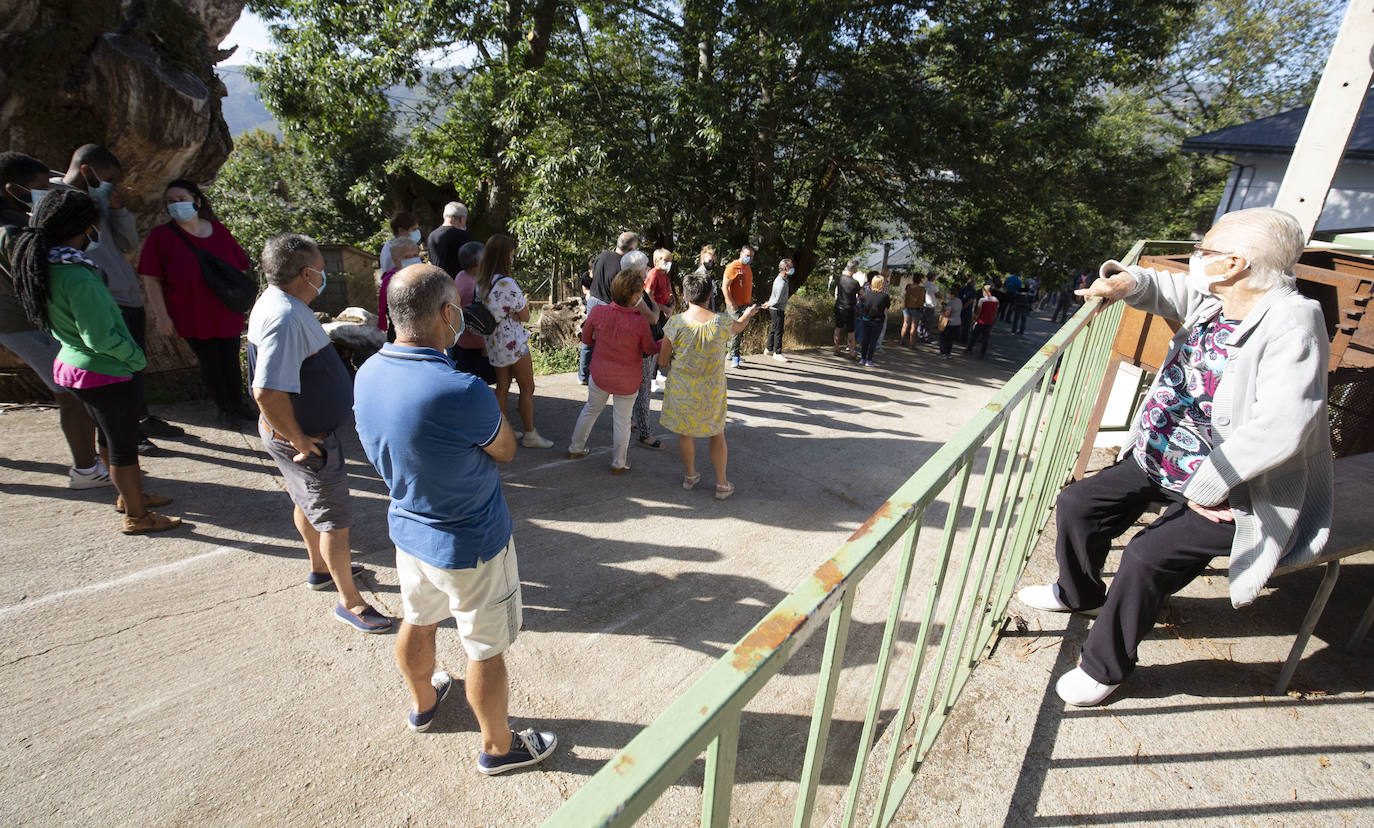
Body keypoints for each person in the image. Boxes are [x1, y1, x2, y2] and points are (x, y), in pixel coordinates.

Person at [1017, 207, 1332, 707]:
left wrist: (1207, 486)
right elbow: (1174, 289)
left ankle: (1105, 666)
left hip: (1236, 485)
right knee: (1080, 502)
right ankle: (1077, 593)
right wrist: (1128, 282)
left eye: (1203, 250)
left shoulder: (1293, 323)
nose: (1194, 258)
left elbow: (1283, 426)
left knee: (1146, 556)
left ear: (1233, 264)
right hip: (1162, 456)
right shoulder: (1226, 295)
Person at [353, 264, 556, 773]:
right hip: (472, 542)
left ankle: (424, 704)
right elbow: (505, 449)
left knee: (419, 619)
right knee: (485, 648)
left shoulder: (368, 371)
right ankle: (498, 747)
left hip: (409, 531)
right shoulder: (459, 389)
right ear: (448, 312)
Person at [11, 189, 180, 533]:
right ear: (80, 227)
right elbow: (99, 338)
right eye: (93, 225)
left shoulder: (48, 265)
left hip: (76, 366)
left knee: (108, 436)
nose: (95, 233)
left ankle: (128, 495)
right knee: (123, 445)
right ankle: (137, 515)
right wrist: (135, 357)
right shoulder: (77, 276)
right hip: (104, 370)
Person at [247, 233, 390, 633]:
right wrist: (298, 439)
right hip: (304, 437)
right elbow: (266, 390)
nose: (323, 279)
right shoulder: (285, 317)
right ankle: (351, 603)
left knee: (307, 503)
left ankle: (321, 569)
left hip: (295, 431)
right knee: (334, 520)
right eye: (321, 273)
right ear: (306, 273)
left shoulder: (279, 304)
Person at [60, 144, 182, 451]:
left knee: (134, 367)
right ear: (87, 171)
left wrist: (117, 208)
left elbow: (126, 244)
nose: (113, 184)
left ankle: (138, 420)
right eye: (109, 178)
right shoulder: (60, 204)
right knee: (114, 371)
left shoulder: (99, 202)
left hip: (127, 297)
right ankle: (123, 438)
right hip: (102, 300)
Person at [0, 152, 108, 490]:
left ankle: (93, 463)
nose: (47, 190)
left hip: (24, 321)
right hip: (25, 324)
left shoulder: (17, 221)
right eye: (40, 186)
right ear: (10, 189)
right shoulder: (12, 232)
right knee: (72, 392)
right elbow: (43, 275)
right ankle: (87, 471)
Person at [138, 179, 254, 428]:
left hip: (225, 311)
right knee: (211, 363)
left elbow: (240, 266)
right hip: (191, 314)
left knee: (231, 360)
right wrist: (162, 316)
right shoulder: (161, 237)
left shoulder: (218, 230)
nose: (175, 205)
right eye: (170, 201)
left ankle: (237, 404)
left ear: (197, 201)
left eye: (180, 199)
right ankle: (225, 408)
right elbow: (151, 279)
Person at [658, 273, 760, 500]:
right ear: (709, 296)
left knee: (686, 433)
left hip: (683, 389)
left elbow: (663, 361)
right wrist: (747, 314)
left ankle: (690, 476)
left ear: (685, 296)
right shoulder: (722, 322)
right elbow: (739, 326)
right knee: (717, 433)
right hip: (712, 389)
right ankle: (722, 484)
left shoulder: (675, 323)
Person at [568, 268, 660, 473]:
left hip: (600, 374)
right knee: (622, 420)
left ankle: (576, 447)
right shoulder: (640, 322)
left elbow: (586, 339)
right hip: (627, 380)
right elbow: (649, 349)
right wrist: (663, 343)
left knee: (590, 409)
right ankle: (619, 463)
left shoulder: (599, 312)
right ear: (636, 296)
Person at [476, 234, 554, 448]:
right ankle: (531, 434)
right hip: (513, 342)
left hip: (493, 342)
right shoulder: (506, 282)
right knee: (527, 387)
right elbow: (526, 315)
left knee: (502, 385)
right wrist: (516, 314)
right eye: (511, 252)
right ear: (504, 255)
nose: (513, 256)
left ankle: (503, 431)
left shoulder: (482, 281)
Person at [621, 250, 665, 451]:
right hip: (642, 348)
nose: (648, 270)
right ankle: (645, 433)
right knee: (643, 390)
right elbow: (653, 317)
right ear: (638, 270)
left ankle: (631, 421)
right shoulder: (635, 292)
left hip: (636, 345)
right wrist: (657, 309)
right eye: (645, 267)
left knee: (636, 389)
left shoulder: (627, 287)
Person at [582, 232, 639, 383]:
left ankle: (583, 375)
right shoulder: (623, 265)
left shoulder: (603, 255)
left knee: (588, 341)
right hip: (608, 306)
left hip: (593, 300)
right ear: (631, 249)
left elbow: (593, 275)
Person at [450, 240, 496, 384]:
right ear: (478, 262)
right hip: (476, 345)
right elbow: (476, 318)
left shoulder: (460, 276)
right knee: (481, 383)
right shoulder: (476, 287)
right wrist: (485, 347)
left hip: (461, 341)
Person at [378, 236, 422, 341]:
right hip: (399, 332)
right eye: (407, 257)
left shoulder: (423, 274)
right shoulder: (390, 280)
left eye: (415, 255)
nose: (412, 259)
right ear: (395, 260)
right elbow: (384, 306)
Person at [645, 248, 675, 392]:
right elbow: (648, 297)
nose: (669, 263)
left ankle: (657, 372)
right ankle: (651, 380)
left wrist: (671, 306)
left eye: (670, 261)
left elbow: (668, 293)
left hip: (662, 314)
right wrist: (664, 308)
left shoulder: (665, 275)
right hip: (654, 314)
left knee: (664, 342)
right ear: (657, 261)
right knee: (656, 345)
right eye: (666, 260)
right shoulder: (654, 274)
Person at [722, 244, 755, 368]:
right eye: (747, 255)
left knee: (739, 331)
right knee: (736, 330)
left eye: (751, 256)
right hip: (734, 305)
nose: (749, 258)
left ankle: (731, 353)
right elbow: (724, 287)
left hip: (745, 304)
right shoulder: (733, 266)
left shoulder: (748, 267)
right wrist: (732, 304)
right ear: (741, 254)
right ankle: (735, 357)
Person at [426, 201, 472, 277]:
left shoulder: (432, 236)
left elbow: (430, 263)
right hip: (457, 283)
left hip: (437, 281)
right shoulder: (463, 236)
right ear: (462, 219)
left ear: (444, 216)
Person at [856, 273, 891, 367]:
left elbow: (861, 306)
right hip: (878, 320)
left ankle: (862, 358)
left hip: (866, 319)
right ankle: (869, 359)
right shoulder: (885, 297)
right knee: (873, 341)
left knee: (865, 339)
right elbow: (887, 308)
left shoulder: (866, 295)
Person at [762, 258, 791, 362]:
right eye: (790, 267)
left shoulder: (783, 279)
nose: (792, 269)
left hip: (776, 308)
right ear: (784, 269)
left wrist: (769, 304)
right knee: (779, 330)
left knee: (774, 329)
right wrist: (768, 304)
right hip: (777, 308)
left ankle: (768, 349)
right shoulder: (781, 282)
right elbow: (777, 299)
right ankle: (777, 352)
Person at [378, 210, 420, 275]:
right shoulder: (392, 252)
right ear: (401, 230)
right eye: (414, 229)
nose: (417, 232)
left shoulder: (399, 246)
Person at [832, 259, 861, 355]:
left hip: (838, 305)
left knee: (838, 327)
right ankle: (852, 352)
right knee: (851, 331)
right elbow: (862, 294)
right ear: (855, 269)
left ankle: (836, 348)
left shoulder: (840, 279)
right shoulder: (855, 283)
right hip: (849, 308)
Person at [965, 284, 999, 359]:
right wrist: (992, 319)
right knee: (985, 338)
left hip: (981, 321)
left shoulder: (982, 300)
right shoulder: (996, 300)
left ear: (986, 291)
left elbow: (979, 311)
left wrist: (975, 319)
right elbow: (995, 312)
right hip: (989, 321)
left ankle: (969, 348)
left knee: (974, 335)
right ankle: (982, 353)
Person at [692, 245, 719, 312]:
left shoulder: (708, 275)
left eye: (713, 261)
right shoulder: (700, 275)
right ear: (702, 260)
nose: (711, 263)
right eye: (709, 260)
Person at [938, 288, 962, 358]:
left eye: (949, 294)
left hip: (949, 322)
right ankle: (948, 353)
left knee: (944, 338)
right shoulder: (959, 301)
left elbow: (947, 313)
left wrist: (943, 309)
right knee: (950, 339)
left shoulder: (951, 302)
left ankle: (943, 353)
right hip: (957, 322)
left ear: (952, 294)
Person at [900, 277, 923, 347]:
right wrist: (921, 307)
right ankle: (911, 343)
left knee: (905, 325)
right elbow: (921, 299)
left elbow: (906, 296)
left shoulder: (908, 286)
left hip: (907, 308)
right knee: (913, 327)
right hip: (916, 308)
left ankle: (902, 341)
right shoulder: (921, 289)